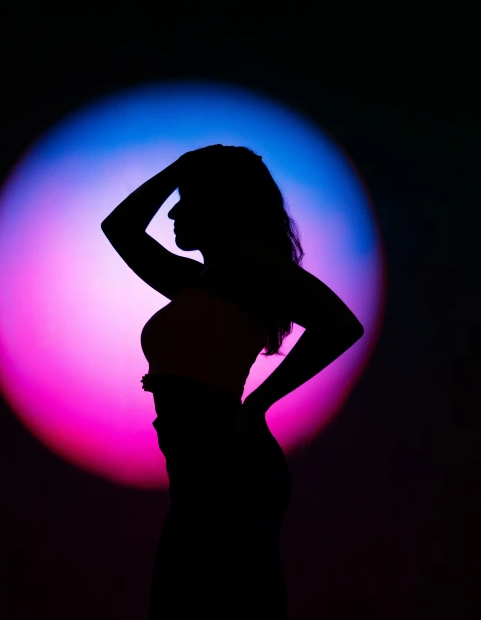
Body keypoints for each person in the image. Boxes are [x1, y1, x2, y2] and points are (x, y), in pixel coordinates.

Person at [101, 145, 364, 619]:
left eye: (187, 198)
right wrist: (183, 168)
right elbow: (119, 228)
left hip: (227, 464)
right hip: (199, 467)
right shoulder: (198, 281)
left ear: (219, 205)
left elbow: (340, 325)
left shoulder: (251, 267)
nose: (175, 211)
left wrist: (258, 403)